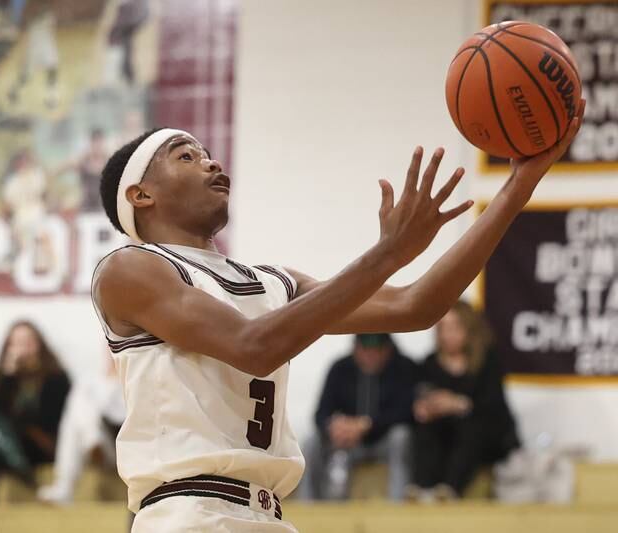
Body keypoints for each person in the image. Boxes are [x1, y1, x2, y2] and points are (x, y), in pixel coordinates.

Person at [92, 101, 584, 531]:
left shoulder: (273, 281)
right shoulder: (130, 269)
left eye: (206, 152)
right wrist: (386, 255)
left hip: (268, 514)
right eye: (186, 156)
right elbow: (253, 347)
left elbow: (417, 306)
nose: (212, 162)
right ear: (141, 195)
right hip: (186, 515)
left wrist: (519, 185)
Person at [408, 301, 520, 501]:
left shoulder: (487, 362)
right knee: (424, 429)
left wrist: (458, 404)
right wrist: (427, 407)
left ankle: (450, 489)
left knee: (471, 429)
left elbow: (494, 408)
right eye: (443, 328)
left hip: (486, 438)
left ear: (469, 329)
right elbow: (419, 397)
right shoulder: (429, 363)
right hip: (445, 436)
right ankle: (422, 488)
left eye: (454, 327)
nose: (448, 335)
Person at [301, 333, 415, 501]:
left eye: (376, 350)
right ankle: (310, 509)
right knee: (311, 443)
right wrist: (336, 427)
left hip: (382, 441)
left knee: (401, 436)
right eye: (365, 349)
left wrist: (367, 425)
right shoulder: (340, 368)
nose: (370, 355)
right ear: (355, 348)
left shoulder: (403, 368)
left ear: (388, 350)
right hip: (346, 443)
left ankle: (397, 506)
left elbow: (407, 412)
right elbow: (321, 414)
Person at [0, 320, 71, 504]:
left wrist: (21, 421)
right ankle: (12, 477)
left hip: (41, 445)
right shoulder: (1, 378)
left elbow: (53, 421)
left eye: (28, 342)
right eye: (17, 343)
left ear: (39, 344)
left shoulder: (57, 378)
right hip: (9, 448)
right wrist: (8, 374)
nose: (23, 348)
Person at [38, 352, 126, 505]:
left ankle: (65, 485)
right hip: (105, 448)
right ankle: (92, 442)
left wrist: (116, 381)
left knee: (80, 409)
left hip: (128, 450)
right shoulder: (93, 383)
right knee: (78, 404)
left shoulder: (137, 380)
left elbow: (124, 417)